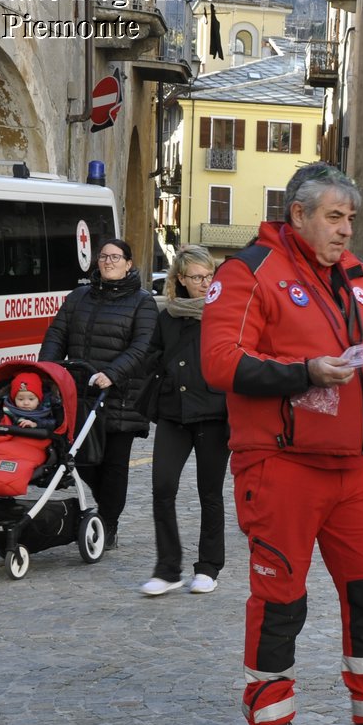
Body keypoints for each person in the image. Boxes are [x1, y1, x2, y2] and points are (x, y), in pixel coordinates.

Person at [200, 163, 363, 725]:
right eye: (335, 218)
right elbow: (220, 363)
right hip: (281, 462)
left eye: (351, 219)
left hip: (355, 467)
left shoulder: (359, 277)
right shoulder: (248, 271)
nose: (345, 231)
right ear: (298, 214)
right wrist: (302, 371)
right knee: (281, 597)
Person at [38, 238, 157, 549]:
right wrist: (47, 371)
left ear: (129, 264)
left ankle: (109, 523)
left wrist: (113, 373)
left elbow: (143, 346)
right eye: (103, 256)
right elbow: (57, 334)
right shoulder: (79, 297)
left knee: (114, 465)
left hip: (121, 396)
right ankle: (104, 512)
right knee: (83, 460)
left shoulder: (143, 302)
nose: (108, 261)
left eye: (115, 257)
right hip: (80, 394)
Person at [139, 246, 230, 597]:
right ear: (180, 280)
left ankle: (208, 567)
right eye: (196, 277)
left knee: (210, 493)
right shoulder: (168, 315)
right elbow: (151, 355)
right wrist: (162, 370)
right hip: (174, 413)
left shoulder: (224, 314)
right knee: (162, 488)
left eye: (209, 276)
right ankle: (167, 568)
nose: (205, 283)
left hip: (213, 413)